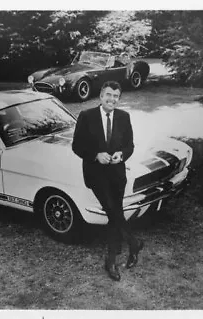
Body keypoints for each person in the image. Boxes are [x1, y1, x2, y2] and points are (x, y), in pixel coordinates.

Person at [72, 81, 144, 281]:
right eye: (109, 95)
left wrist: (122, 154)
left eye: (116, 96)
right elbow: (77, 146)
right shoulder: (86, 116)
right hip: (96, 175)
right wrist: (95, 155)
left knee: (115, 214)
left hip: (117, 175)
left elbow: (130, 145)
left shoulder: (123, 116)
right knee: (113, 211)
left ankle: (119, 254)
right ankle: (128, 247)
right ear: (101, 96)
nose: (112, 99)